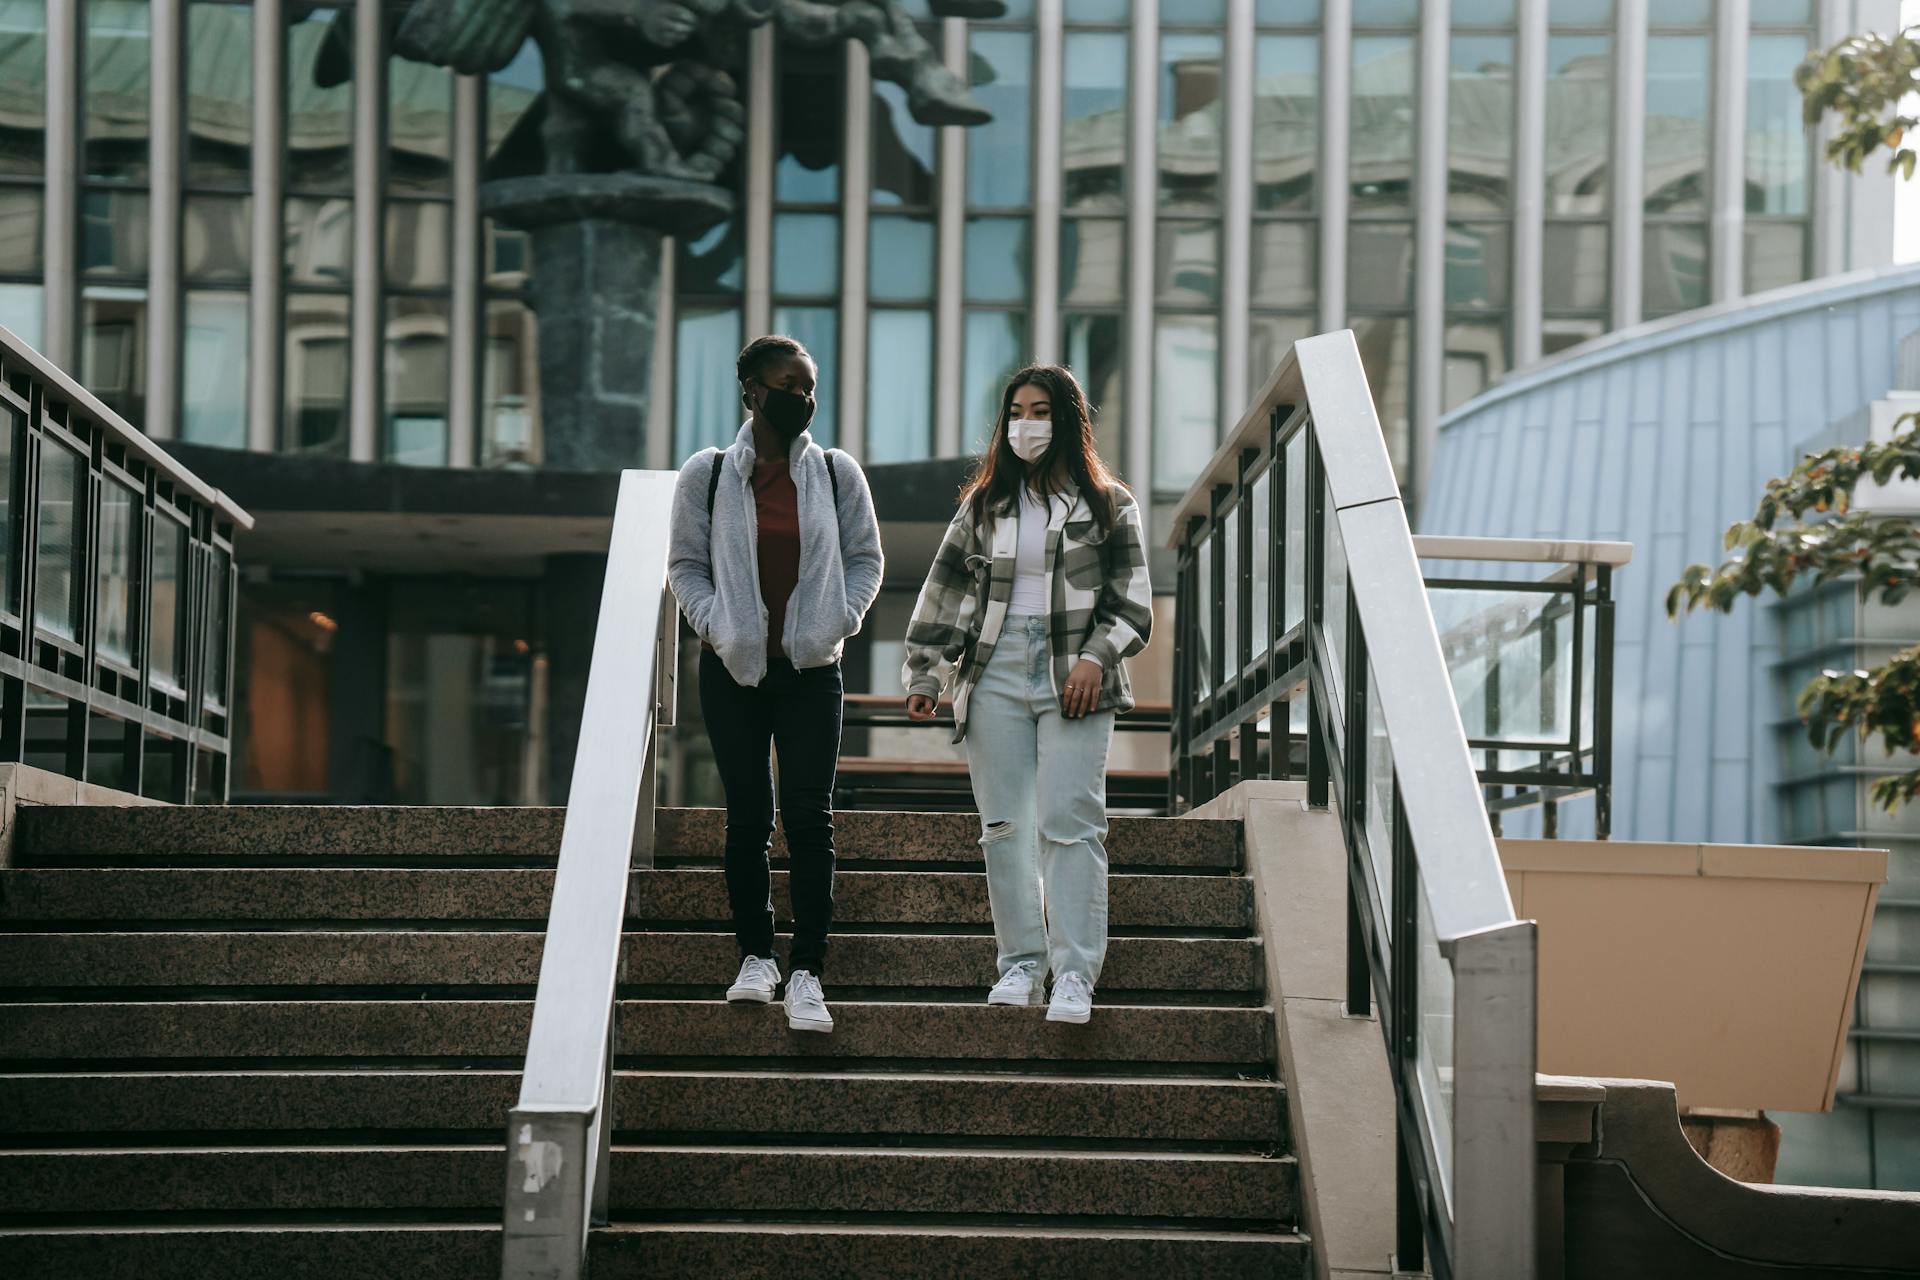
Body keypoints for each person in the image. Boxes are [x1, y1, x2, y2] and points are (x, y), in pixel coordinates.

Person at [901, 364, 1152, 1024]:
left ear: (1066, 420)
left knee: (1070, 822)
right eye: (1017, 411)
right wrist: (928, 673)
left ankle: (1074, 975)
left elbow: (1132, 605)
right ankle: (1019, 966)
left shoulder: (1108, 505)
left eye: (1041, 411)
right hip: (996, 671)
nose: (1026, 424)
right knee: (1004, 827)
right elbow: (945, 593)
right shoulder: (985, 507)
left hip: (1075, 675)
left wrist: (1095, 660)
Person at [668, 335, 883, 1034]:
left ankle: (808, 972)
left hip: (812, 671)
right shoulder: (706, 475)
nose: (804, 398)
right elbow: (685, 566)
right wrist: (718, 627)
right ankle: (756, 956)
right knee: (747, 818)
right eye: (790, 384)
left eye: (811, 385)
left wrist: (836, 623)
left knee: (809, 818)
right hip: (733, 670)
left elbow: (865, 559)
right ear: (753, 391)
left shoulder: (834, 471)